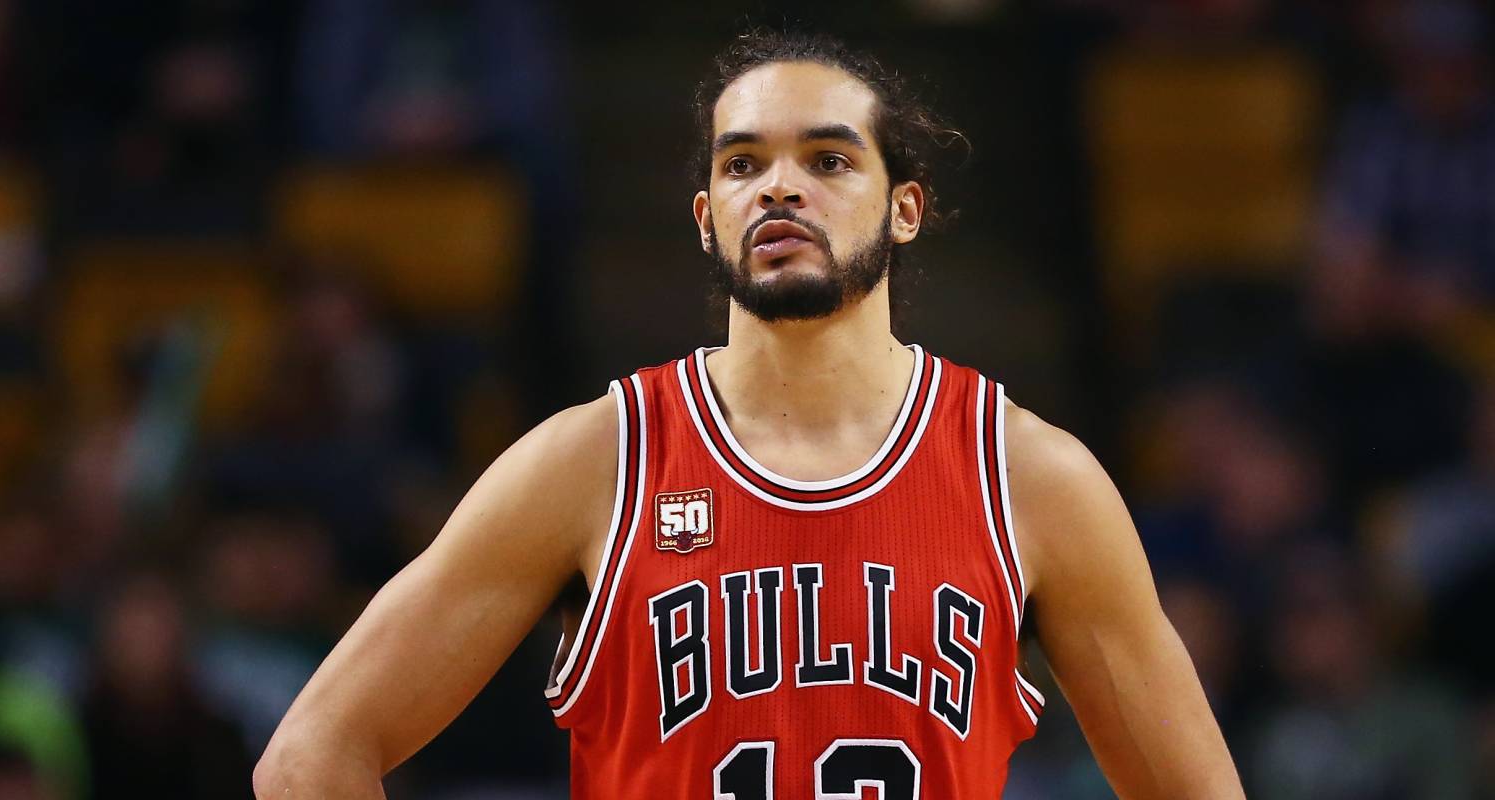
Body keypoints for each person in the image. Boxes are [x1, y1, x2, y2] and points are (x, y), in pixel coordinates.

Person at [253, 30, 1242, 798]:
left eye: (829, 158)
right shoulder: (595, 459)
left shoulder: (1029, 476)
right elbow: (310, 752)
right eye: (742, 163)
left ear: (905, 206)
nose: (780, 185)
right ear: (705, 216)